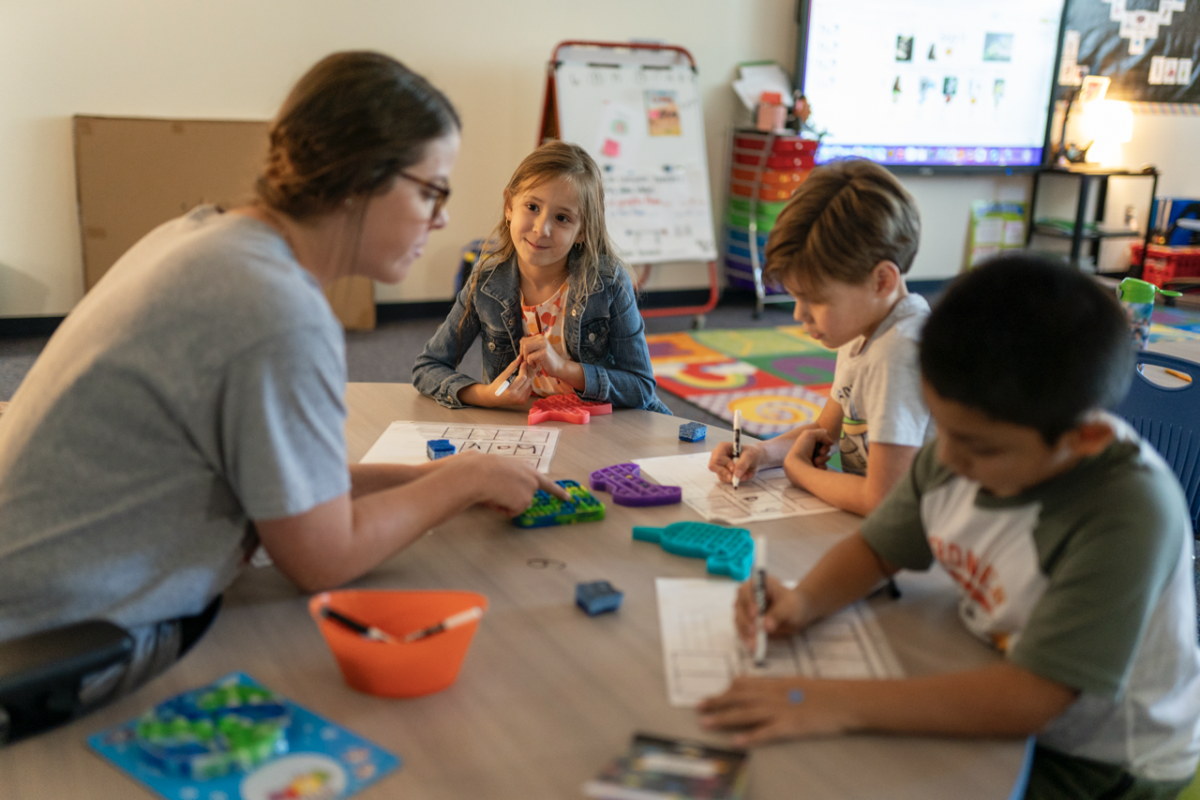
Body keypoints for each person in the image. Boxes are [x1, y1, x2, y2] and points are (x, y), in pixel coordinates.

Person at [0, 51, 565, 716]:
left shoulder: (206, 237)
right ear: (357, 178)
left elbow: (295, 491)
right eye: (430, 191)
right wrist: (463, 480)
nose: (442, 219)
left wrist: (453, 474)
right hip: (61, 642)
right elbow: (322, 556)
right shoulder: (275, 310)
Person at [699, 254, 1200, 799]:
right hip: (1001, 671)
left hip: (1101, 759)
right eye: (944, 430)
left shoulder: (1128, 513)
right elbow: (876, 549)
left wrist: (828, 702)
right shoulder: (968, 441)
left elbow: (1031, 698)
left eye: (980, 447)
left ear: (1084, 440)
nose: (949, 462)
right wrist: (804, 602)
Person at [708, 159, 932, 516]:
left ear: (882, 281)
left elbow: (884, 501)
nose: (799, 315)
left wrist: (799, 472)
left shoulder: (898, 352)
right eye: (797, 297)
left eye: (817, 299)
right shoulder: (865, 326)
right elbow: (825, 431)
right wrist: (763, 454)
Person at [412, 141, 670, 414]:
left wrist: (564, 370)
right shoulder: (486, 281)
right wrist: (489, 395)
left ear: (582, 231)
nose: (542, 228)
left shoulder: (608, 282)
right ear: (509, 205)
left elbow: (640, 387)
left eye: (562, 218)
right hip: (527, 428)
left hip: (608, 427)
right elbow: (428, 367)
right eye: (532, 207)